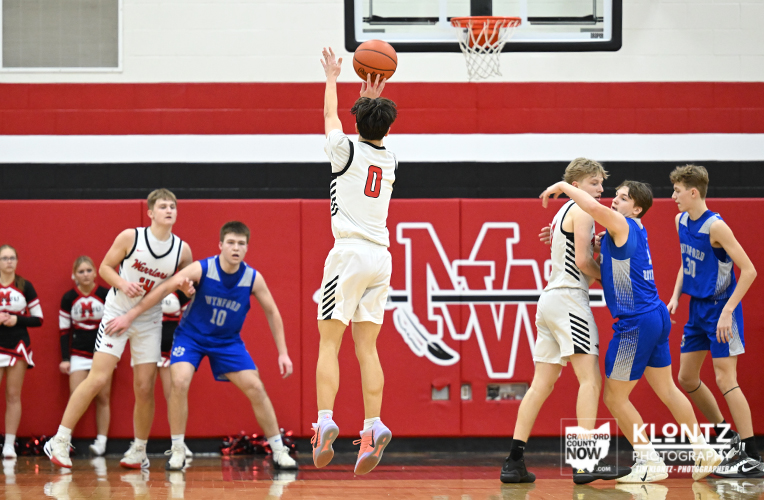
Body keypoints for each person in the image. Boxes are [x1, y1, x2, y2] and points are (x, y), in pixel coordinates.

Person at [539, 180, 722, 482]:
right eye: (617, 195)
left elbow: (591, 207)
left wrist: (562, 185)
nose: (615, 200)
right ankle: (703, 450)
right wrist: (563, 237)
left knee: (614, 397)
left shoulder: (621, 224)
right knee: (667, 389)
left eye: (624, 198)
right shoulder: (629, 229)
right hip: (655, 314)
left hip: (636, 322)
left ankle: (650, 461)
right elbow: (606, 267)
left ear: (637, 209)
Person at [105, 221, 297, 471]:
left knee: (256, 387)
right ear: (220, 245)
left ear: (247, 248)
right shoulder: (202, 268)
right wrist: (131, 315)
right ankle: (177, 450)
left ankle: (279, 451)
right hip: (191, 337)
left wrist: (283, 353)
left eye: (241, 244)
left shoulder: (252, 278)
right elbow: (164, 288)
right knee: (179, 381)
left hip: (227, 341)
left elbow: (272, 311)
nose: (235, 248)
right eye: (230, 243)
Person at [501, 159, 629, 485]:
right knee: (590, 380)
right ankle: (584, 463)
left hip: (549, 301)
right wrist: (610, 279)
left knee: (540, 385)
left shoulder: (562, 212)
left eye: (601, 183)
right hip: (569, 299)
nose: (600, 189)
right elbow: (583, 261)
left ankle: (513, 462)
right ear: (575, 184)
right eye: (593, 183)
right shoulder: (583, 211)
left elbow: (576, 251)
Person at [45, 188, 193, 469]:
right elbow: (104, 268)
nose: (169, 210)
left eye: (172, 206)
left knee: (144, 387)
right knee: (98, 378)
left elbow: (183, 287)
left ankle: (139, 450)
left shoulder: (182, 250)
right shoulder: (131, 237)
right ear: (150, 212)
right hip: (117, 312)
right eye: (163, 206)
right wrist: (123, 284)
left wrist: (186, 290)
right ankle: (60, 439)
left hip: (150, 320)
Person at [313, 47, 397, 475]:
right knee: (368, 348)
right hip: (381, 258)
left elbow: (331, 116)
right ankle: (372, 426)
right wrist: (370, 100)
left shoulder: (344, 151)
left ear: (358, 122)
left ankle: (325, 421)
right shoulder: (390, 159)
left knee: (329, 343)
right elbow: (371, 125)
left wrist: (332, 77)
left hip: (348, 253)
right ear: (388, 125)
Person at [667, 165, 762, 477]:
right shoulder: (681, 221)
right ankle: (726, 436)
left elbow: (749, 270)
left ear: (693, 192)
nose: (673, 196)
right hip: (697, 309)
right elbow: (686, 263)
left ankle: (751, 453)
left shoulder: (716, 227)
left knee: (725, 379)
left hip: (722, 308)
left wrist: (728, 311)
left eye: (677, 191)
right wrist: (675, 296)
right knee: (686, 378)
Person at [59, 256, 111, 456]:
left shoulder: (106, 294)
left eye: (89, 270)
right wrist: (65, 358)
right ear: (74, 275)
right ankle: (65, 441)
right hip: (78, 353)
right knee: (76, 396)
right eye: (81, 271)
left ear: (96, 272)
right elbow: (64, 330)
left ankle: (102, 442)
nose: (86, 275)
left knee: (103, 396)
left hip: (103, 352)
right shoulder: (69, 298)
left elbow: (115, 324)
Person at [0, 244, 43, 459]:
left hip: (18, 345)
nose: (9, 262)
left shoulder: (25, 286)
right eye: (4, 258)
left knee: (13, 395)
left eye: (12, 258)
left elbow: (38, 319)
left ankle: (9, 444)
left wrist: (17, 319)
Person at [158, 290, 193, 458]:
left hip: (168, 350)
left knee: (172, 395)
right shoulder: (144, 286)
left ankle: (178, 443)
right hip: (145, 346)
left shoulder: (180, 291)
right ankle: (138, 444)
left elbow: (189, 320)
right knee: (142, 392)